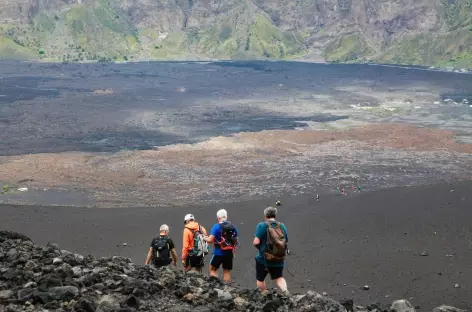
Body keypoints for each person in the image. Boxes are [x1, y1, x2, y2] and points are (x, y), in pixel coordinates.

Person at [253, 206, 289, 292]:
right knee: (279, 277)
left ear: (265, 215)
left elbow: (256, 242)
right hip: (278, 257)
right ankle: (285, 290)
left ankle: (264, 294)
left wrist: (260, 248)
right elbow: (286, 241)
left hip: (264, 258)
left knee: (260, 278)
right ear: (275, 215)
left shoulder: (262, 225)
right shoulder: (282, 226)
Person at [204, 209, 238, 282]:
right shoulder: (233, 227)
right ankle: (227, 289)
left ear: (219, 218)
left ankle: (217, 285)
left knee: (212, 269)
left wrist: (204, 238)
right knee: (226, 272)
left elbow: (210, 240)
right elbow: (236, 240)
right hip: (229, 253)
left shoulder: (216, 226)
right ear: (226, 216)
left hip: (218, 252)